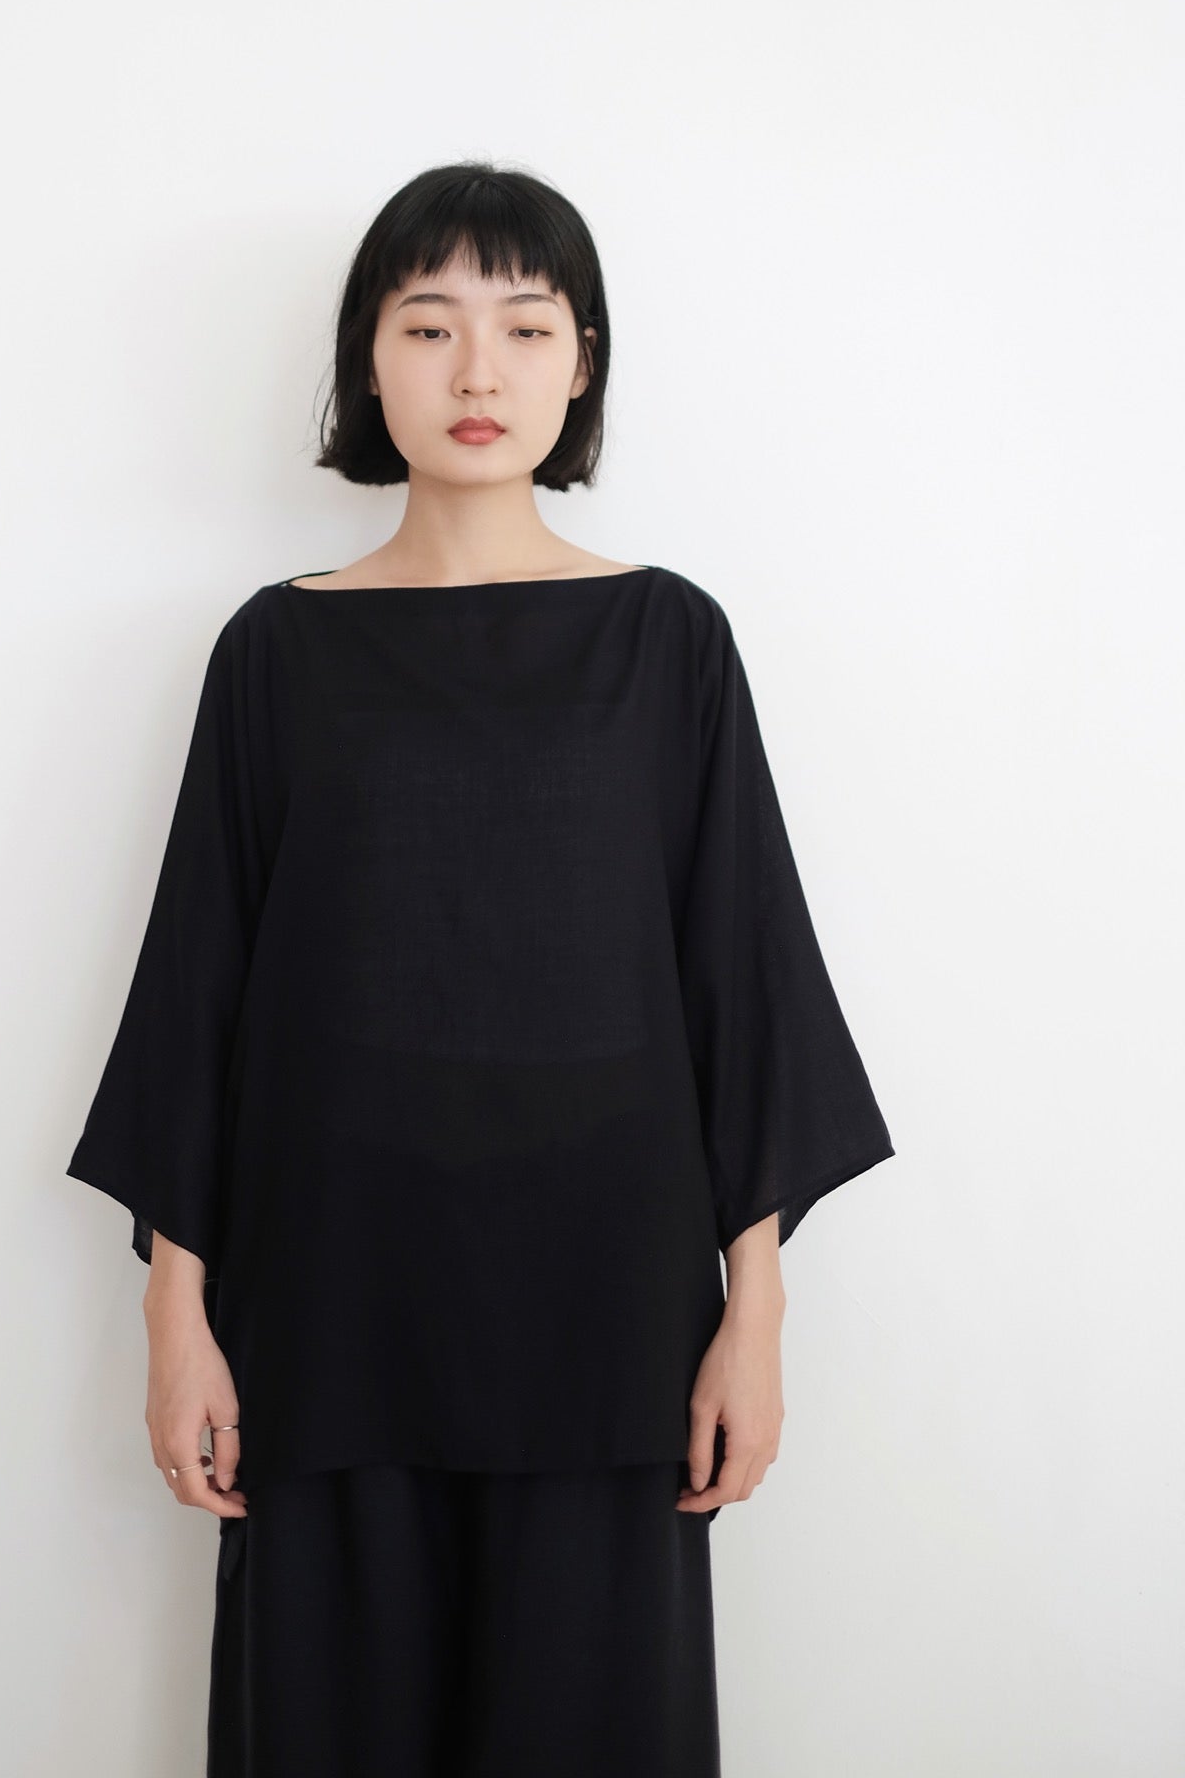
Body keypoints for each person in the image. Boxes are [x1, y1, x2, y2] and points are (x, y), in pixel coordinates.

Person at [67, 161, 897, 1777]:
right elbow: (195, 998)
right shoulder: (274, 651)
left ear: (582, 365)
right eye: (428, 323)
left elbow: (743, 983)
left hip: (608, 1318)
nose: (477, 371)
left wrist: (757, 1317)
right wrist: (177, 1317)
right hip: (329, 1306)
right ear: (365, 363)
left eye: (525, 327)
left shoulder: (667, 642)